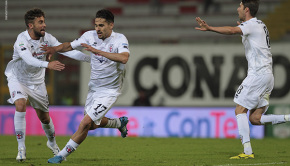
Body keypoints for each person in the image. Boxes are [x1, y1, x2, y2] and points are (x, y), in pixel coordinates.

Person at [195, 0, 290, 159]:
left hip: (258, 75)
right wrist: (243, 28)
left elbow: (232, 30)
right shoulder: (260, 24)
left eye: (239, 6)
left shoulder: (251, 25)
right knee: (255, 119)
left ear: (246, 9)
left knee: (240, 110)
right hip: (267, 76)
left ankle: (247, 152)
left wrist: (210, 28)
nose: (237, 8)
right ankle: (288, 117)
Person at [44, 9, 130, 164]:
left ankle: (61, 155)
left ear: (111, 25)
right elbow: (70, 46)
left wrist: (97, 51)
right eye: (96, 25)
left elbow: (124, 58)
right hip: (94, 88)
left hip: (109, 91)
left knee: (84, 123)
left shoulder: (119, 39)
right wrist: (54, 49)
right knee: (91, 125)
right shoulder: (89, 36)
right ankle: (119, 123)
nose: (98, 28)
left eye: (102, 25)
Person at [4, 8, 90, 162]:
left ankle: (52, 143)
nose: (44, 25)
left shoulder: (47, 38)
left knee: (44, 118)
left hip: (37, 83)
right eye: (40, 22)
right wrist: (47, 65)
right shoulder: (21, 40)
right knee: (20, 104)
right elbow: (28, 60)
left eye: (44, 21)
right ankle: (21, 148)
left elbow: (66, 51)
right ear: (30, 25)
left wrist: (89, 59)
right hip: (18, 79)